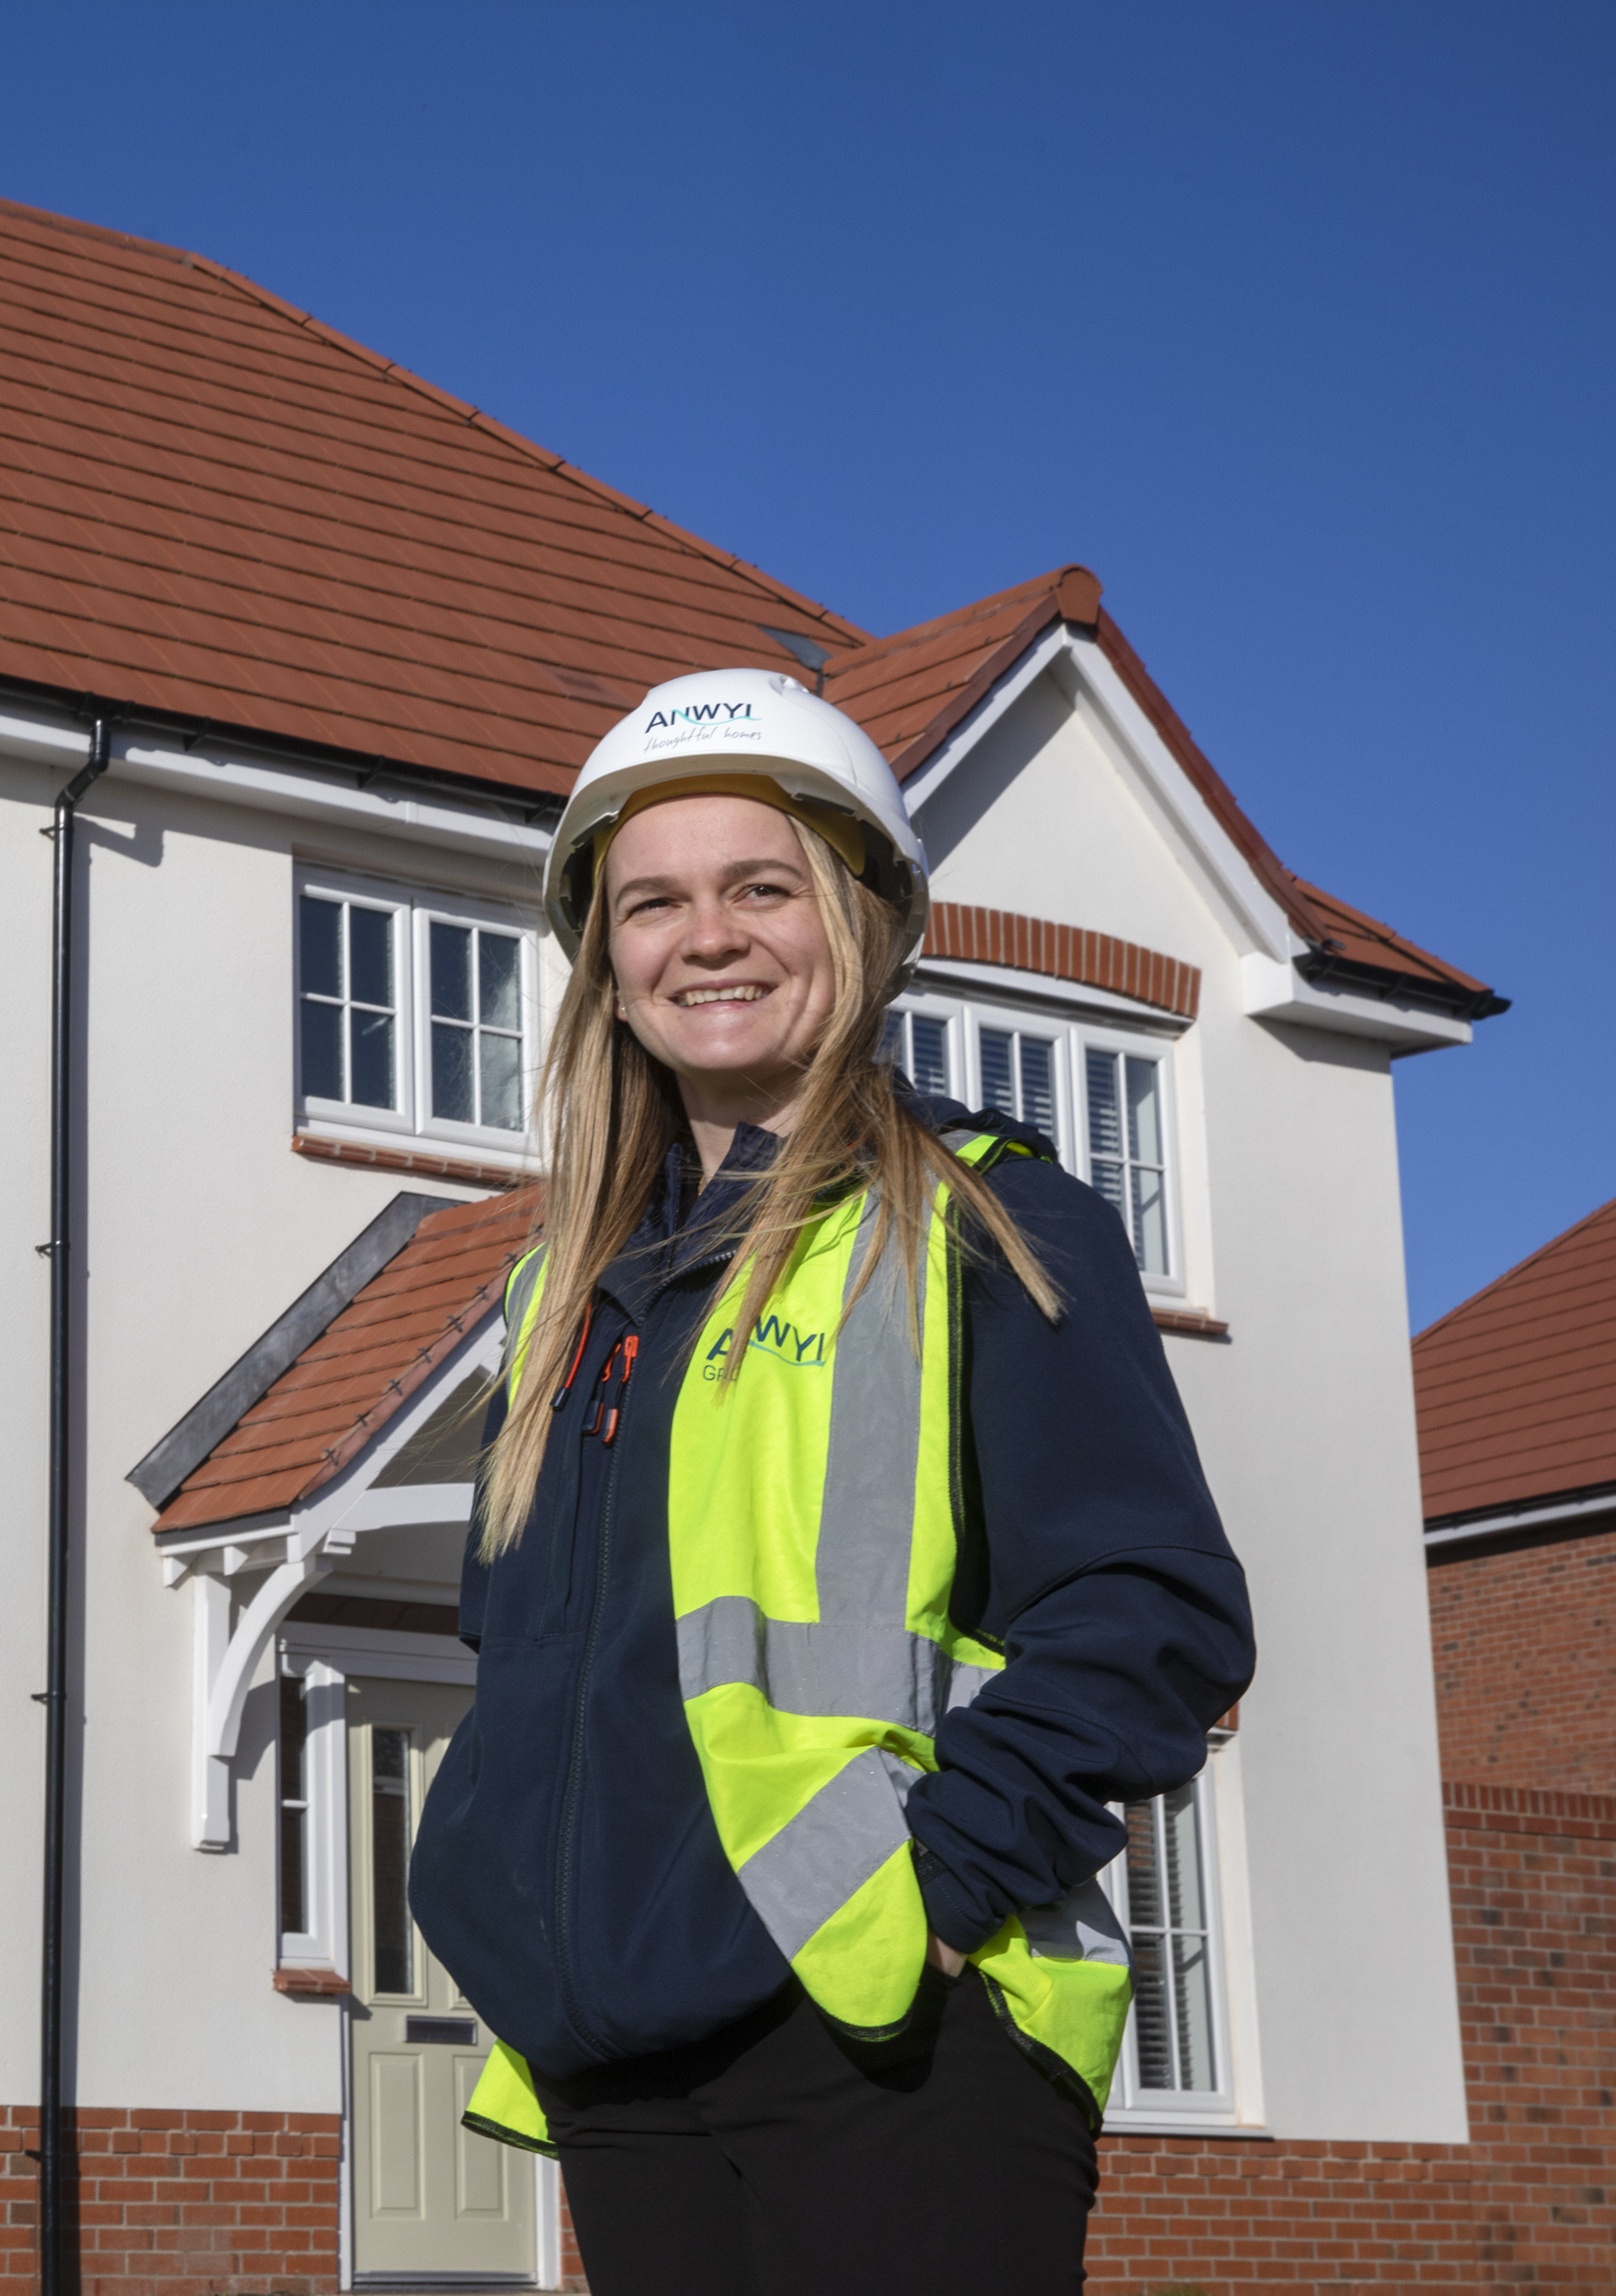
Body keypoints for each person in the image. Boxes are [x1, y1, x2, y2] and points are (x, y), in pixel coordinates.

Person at [408, 669, 1253, 2295]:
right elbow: (524, 1658)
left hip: (888, 2039)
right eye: (649, 902)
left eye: (758, 887)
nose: (702, 937)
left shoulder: (987, 1223)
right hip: (615, 2054)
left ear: (861, 918)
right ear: (606, 961)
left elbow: (1148, 1615)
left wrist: (918, 1902)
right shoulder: (561, 1292)